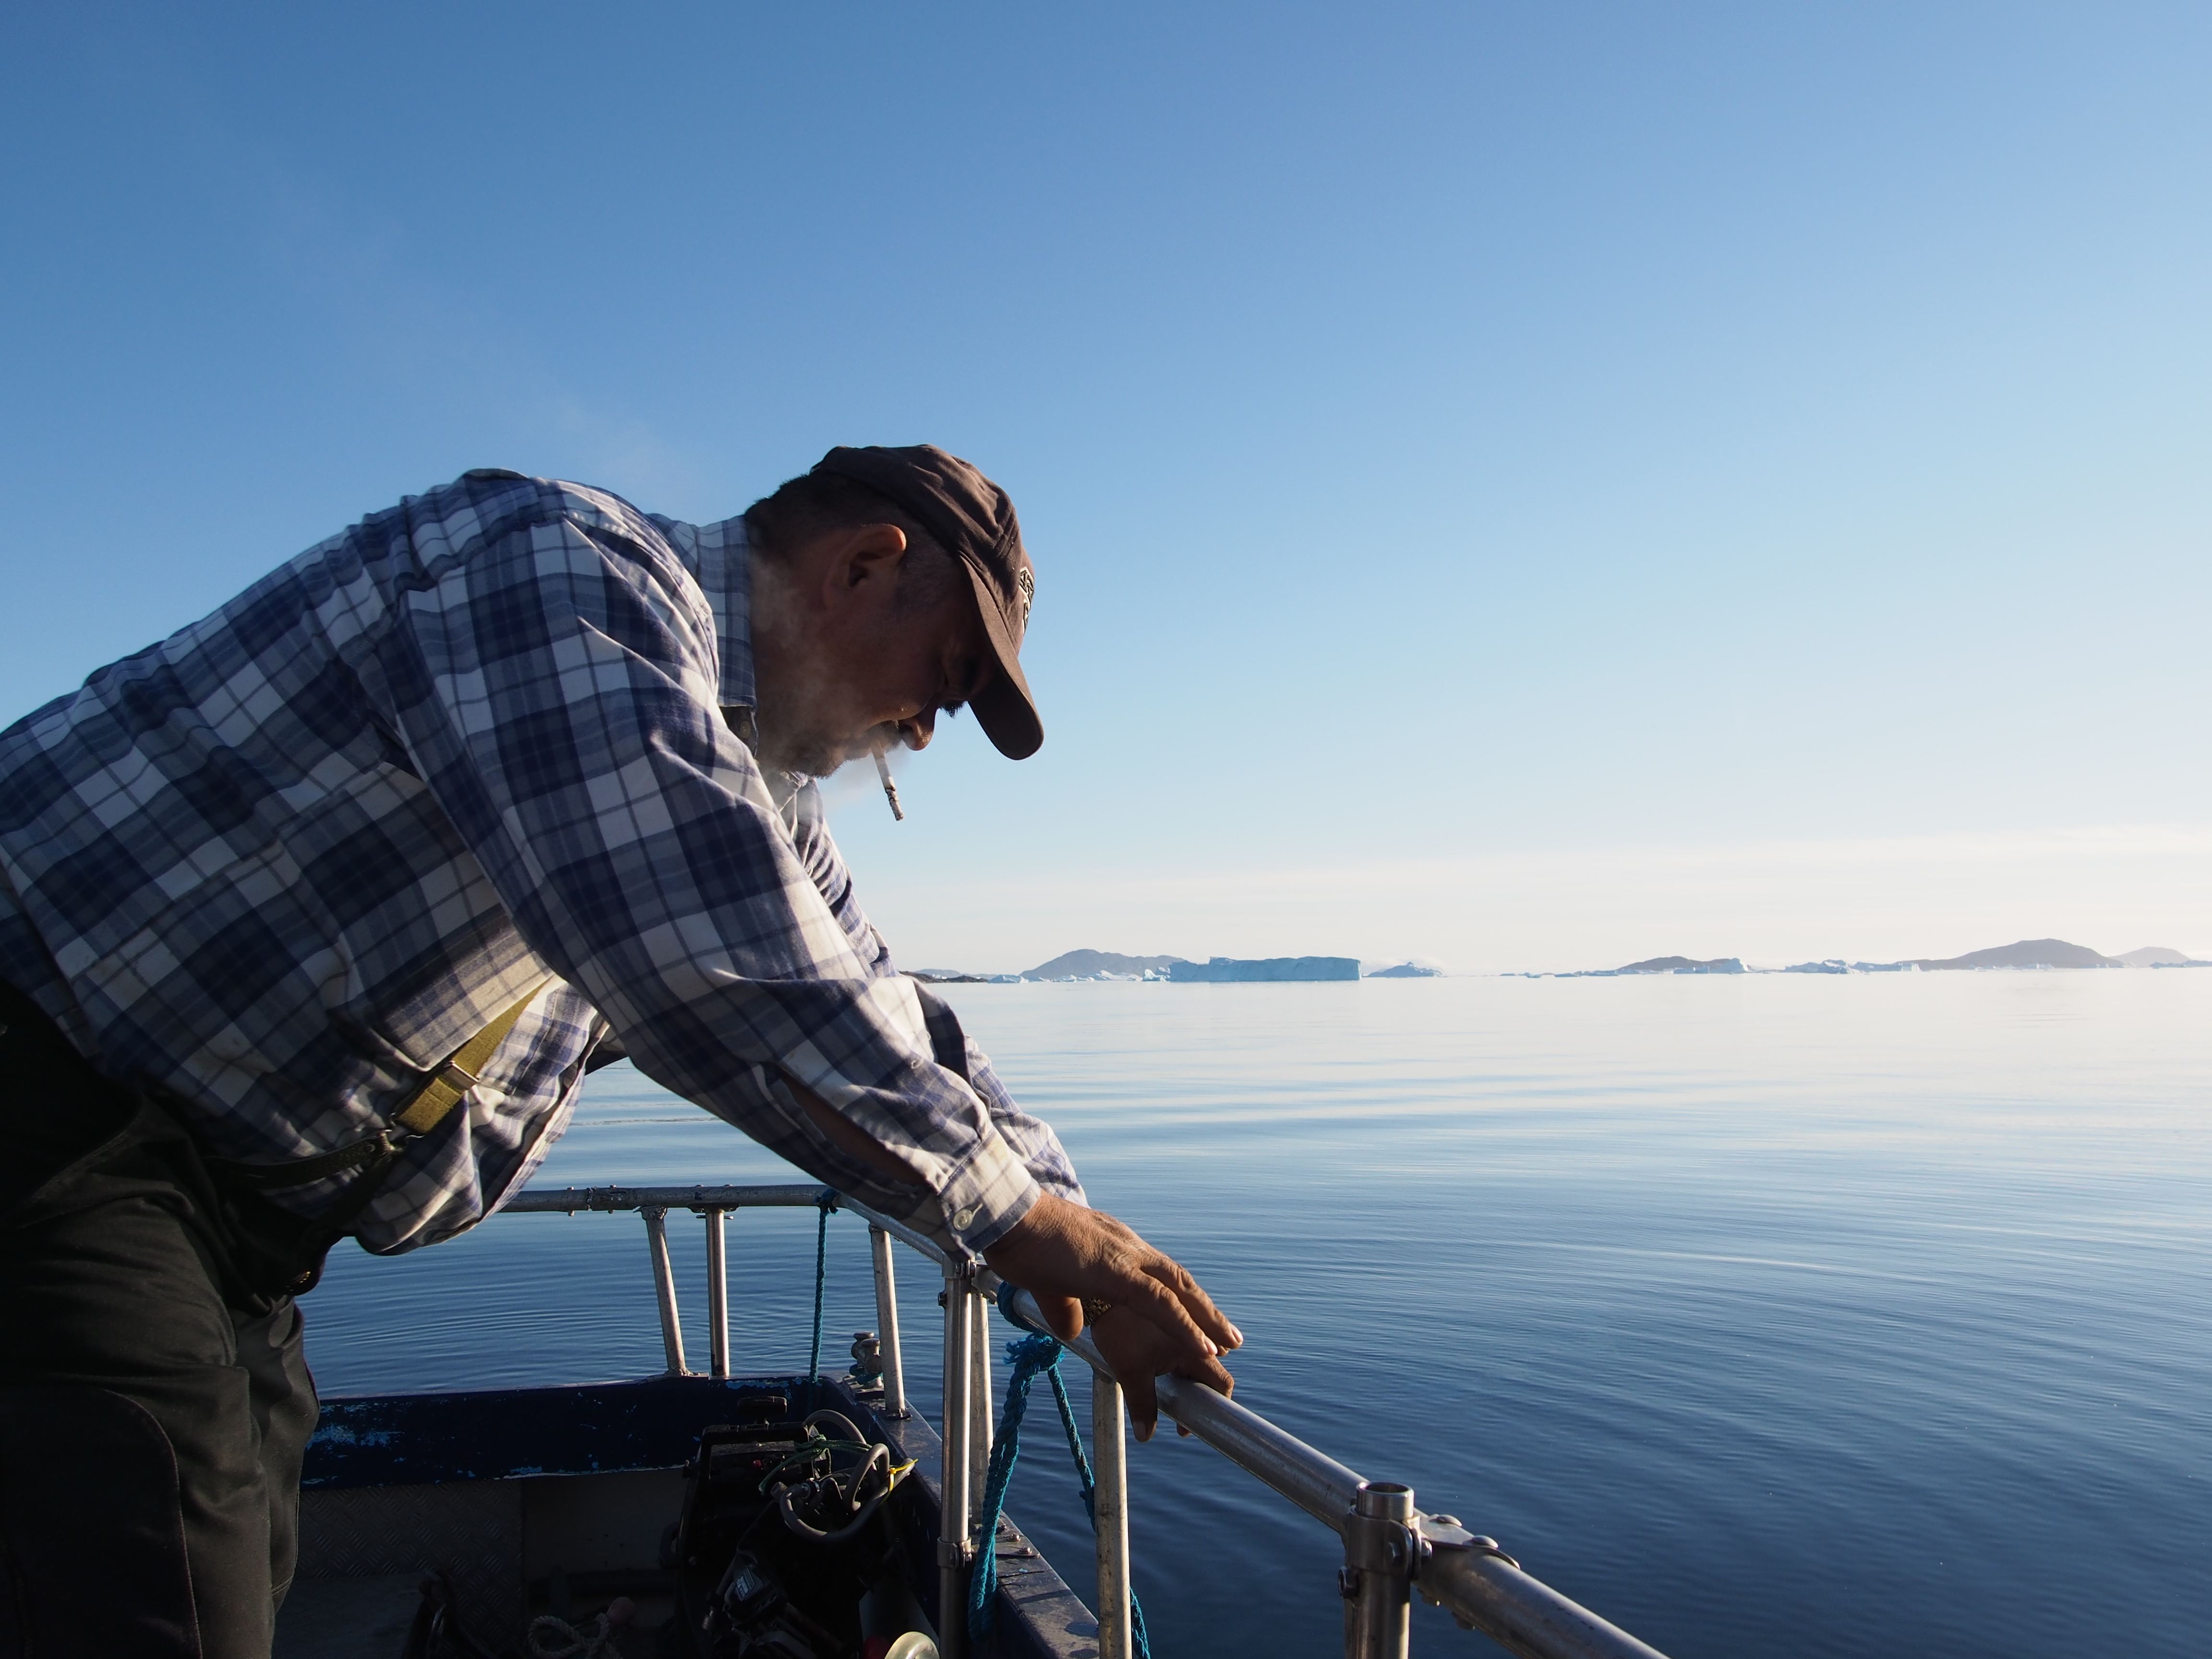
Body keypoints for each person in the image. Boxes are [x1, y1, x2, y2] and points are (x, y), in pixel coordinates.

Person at [0, 445, 1239, 1658]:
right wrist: (1014, 1217)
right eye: (947, 675)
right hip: (51, 1096)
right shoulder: (556, 565)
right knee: (159, 1597)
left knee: (232, 1558)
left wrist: (1075, 1247)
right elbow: (714, 968)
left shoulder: (760, 790)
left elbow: (883, 1009)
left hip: (224, 1218)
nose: (922, 733)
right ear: (863, 564)